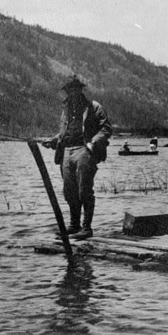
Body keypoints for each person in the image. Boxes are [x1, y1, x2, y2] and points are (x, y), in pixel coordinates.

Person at [42, 75, 112, 240]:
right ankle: (74, 226)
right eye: (68, 90)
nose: (71, 93)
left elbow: (106, 129)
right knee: (69, 191)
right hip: (66, 152)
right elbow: (64, 133)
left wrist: (93, 143)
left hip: (84, 151)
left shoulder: (94, 107)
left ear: (80, 90)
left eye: (74, 89)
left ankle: (86, 228)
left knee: (84, 190)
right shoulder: (65, 110)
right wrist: (53, 140)